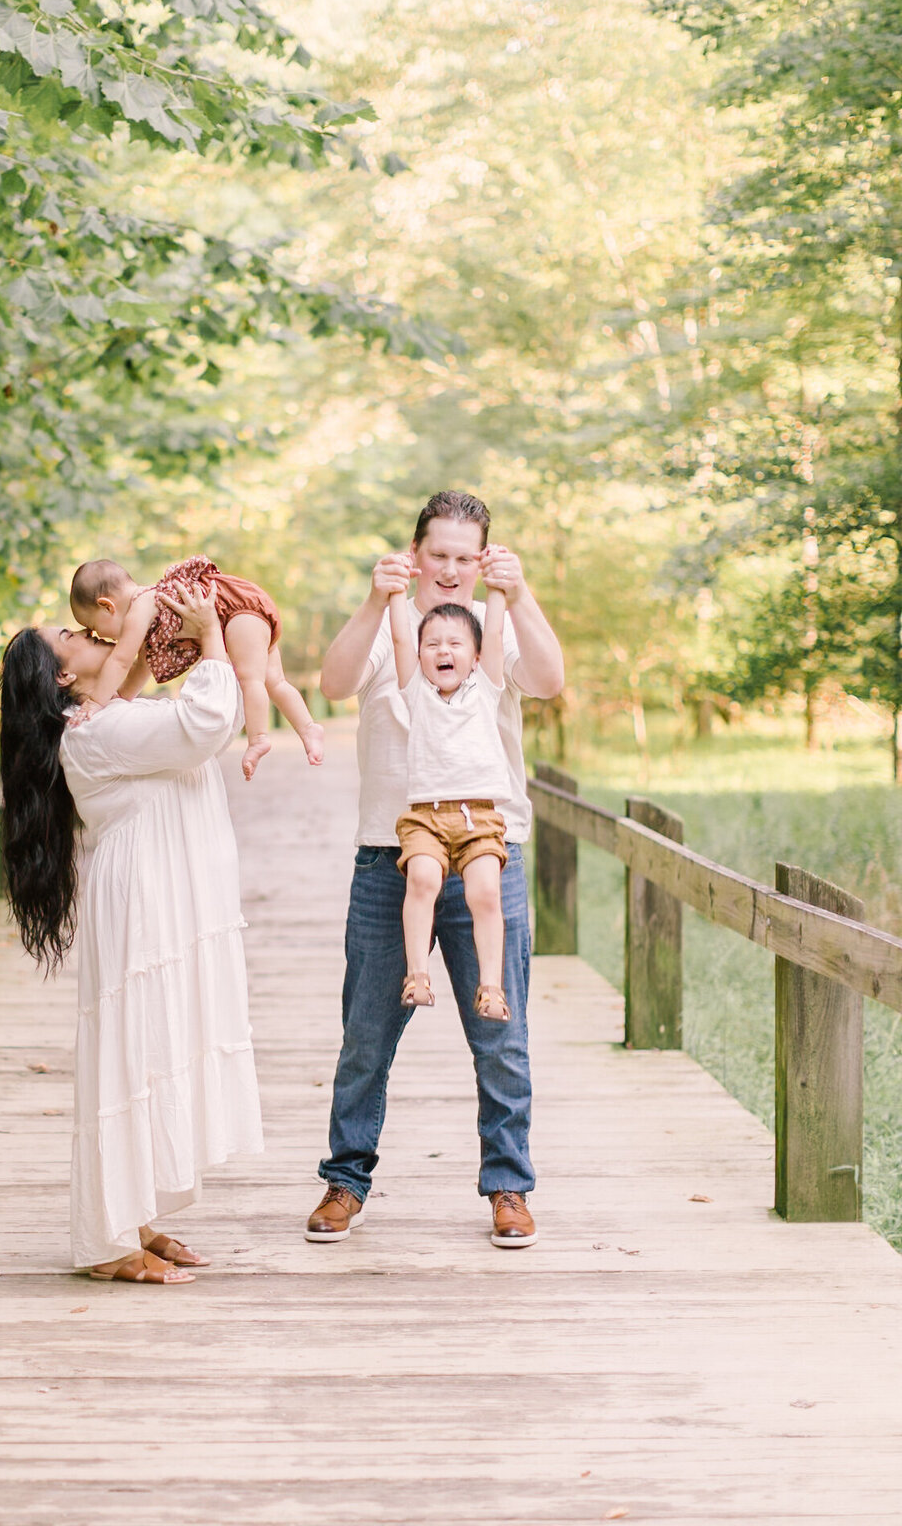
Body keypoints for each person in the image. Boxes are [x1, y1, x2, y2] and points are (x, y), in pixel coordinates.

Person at [307, 490, 564, 1250]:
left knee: (501, 1033)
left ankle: (509, 1186)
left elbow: (548, 680)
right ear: (416, 554)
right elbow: (332, 682)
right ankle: (344, 1182)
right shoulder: (393, 630)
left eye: (466, 557)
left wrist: (520, 591)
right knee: (365, 1034)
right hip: (391, 855)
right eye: (438, 555)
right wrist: (373, 597)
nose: (450, 570)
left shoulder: (490, 629)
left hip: (489, 846)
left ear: (481, 559)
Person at [0, 580, 263, 1285]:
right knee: (132, 1053)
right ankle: (107, 1243)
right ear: (62, 674)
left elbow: (150, 698)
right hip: (144, 903)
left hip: (159, 896)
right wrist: (210, 637)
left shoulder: (102, 717)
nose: (89, 637)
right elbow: (203, 725)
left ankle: (135, 1215)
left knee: (154, 1047)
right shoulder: (98, 729)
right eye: (72, 637)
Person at [69, 554, 324, 781]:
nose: (101, 636)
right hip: (244, 611)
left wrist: (95, 702)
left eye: (94, 627)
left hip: (237, 611)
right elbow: (140, 668)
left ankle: (258, 738)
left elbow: (121, 661)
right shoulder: (151, 613)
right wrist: (121, 698)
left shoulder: (141, 607)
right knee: (275, 681)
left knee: (250, 679)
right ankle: (309, 728)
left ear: (107, 606)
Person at [389, 585, 512, 1022]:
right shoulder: (415, 692)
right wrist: (393, 594)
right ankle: (417, 976)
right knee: (422, 879)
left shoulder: (486, 689)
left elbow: (494, 633)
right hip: (426, 816)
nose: (443, 651)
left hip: (478, 817)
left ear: (475, 657)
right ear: (421, 655)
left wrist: (497, 589)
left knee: (485, 893)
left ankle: (492, 988)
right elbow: (401, 638)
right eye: (433, 644)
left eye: (456, 643)